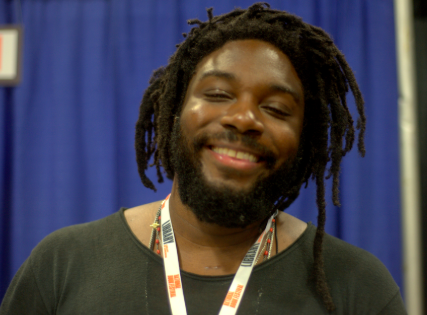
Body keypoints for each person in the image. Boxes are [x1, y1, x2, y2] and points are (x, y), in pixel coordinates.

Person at [0, 3, 406, 314]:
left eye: (278, 109)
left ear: (305, 142)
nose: (244, 118)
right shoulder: (62, 264)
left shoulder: (358, 286)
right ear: (175, 112)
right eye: (217, 94)